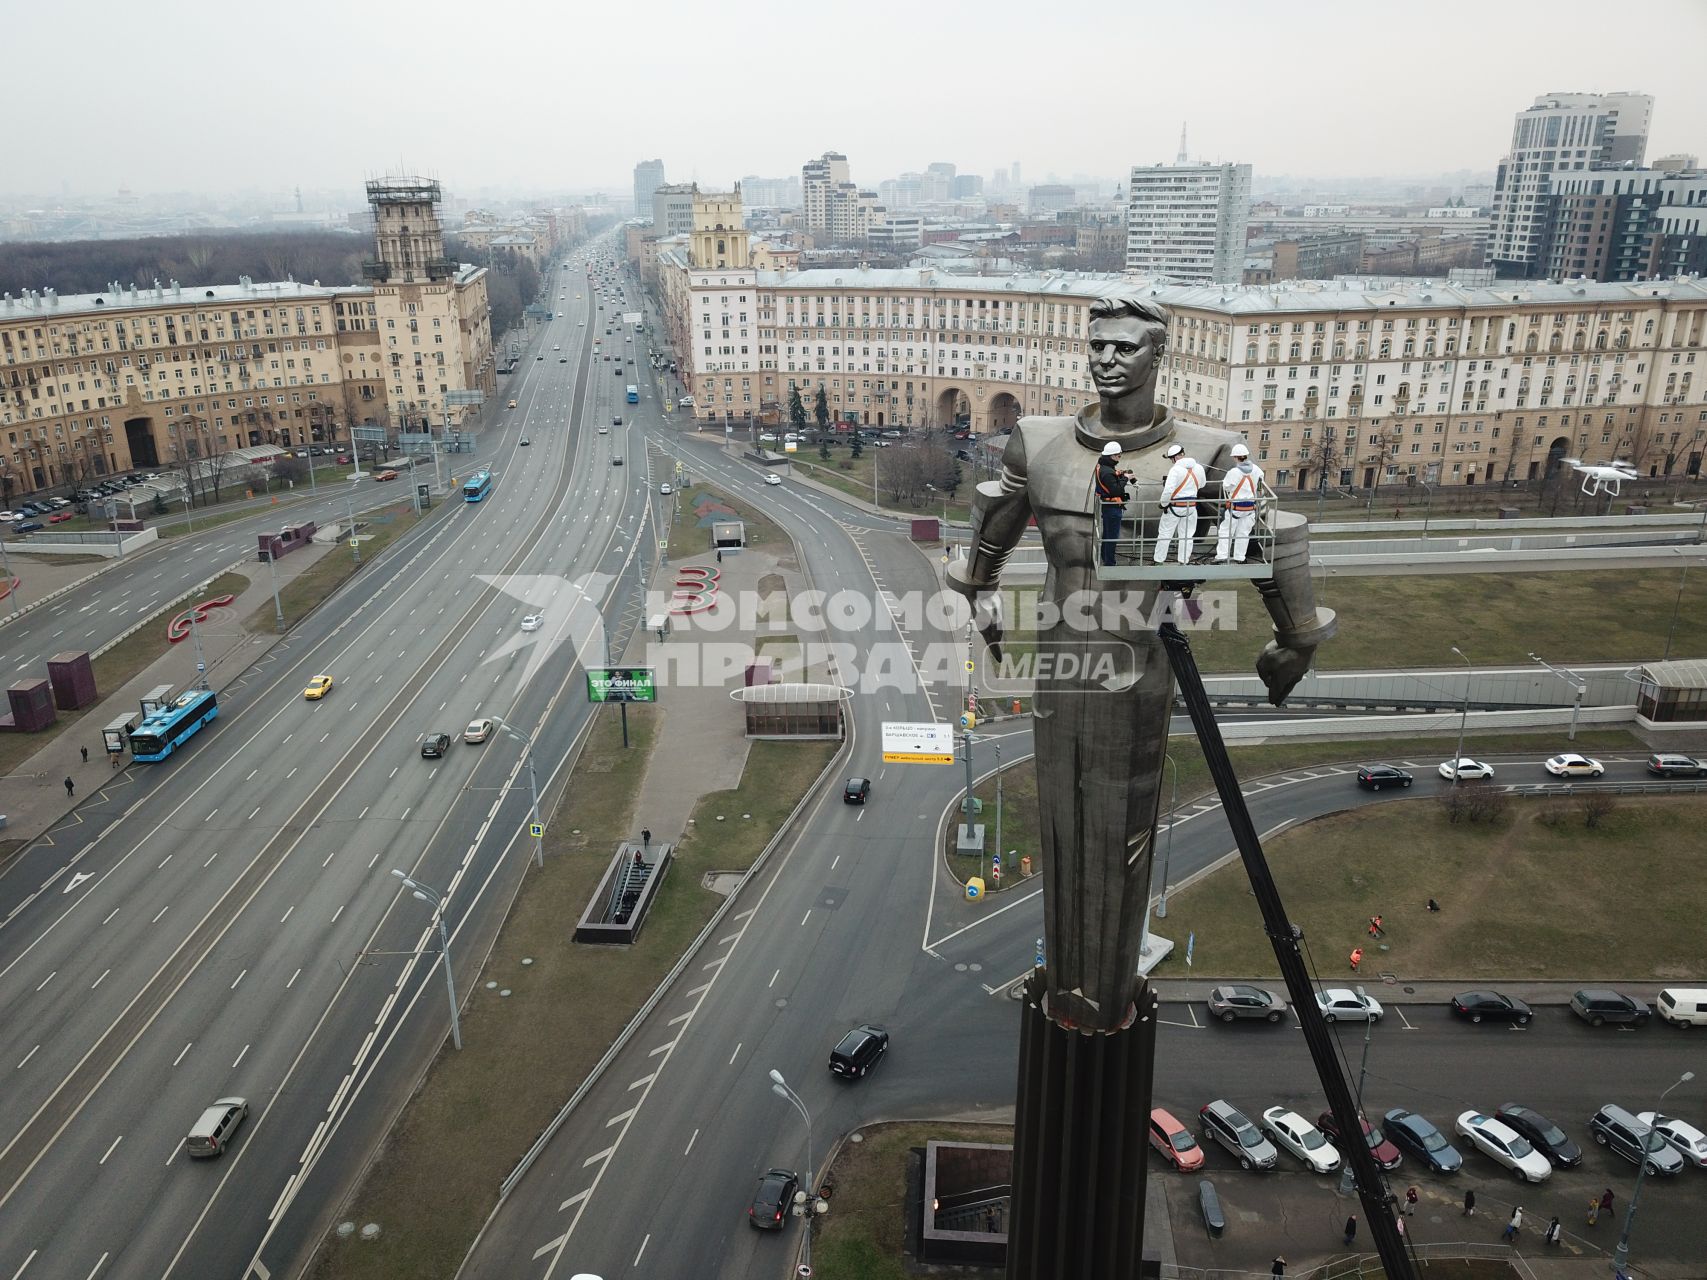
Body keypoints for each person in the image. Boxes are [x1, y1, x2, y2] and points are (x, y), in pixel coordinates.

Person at [946, 292, 1333, 1032]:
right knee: (1060, 823)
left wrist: (1296, 638)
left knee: (1119, 835)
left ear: (1159, 358)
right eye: (1097, 346)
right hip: (1060, 666)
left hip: (1138, 672)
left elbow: (1273, 535)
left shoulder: (1207, 453)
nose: (1107, 360)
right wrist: (977, 591)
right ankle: (1068, 993)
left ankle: (1103, 998)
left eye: (1125, 348)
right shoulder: (1041, 441)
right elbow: (992, 523)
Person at [1153, 443, 1205, 565]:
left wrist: (1163, 504)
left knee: (1165, 534)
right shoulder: (1199, 468)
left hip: (1175, 507)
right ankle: (1183, 561)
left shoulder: (1175, 469)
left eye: (1171, 459)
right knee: (1187, 535)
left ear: (1175, 458)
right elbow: (1202, 484)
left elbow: (1168, 490)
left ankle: (1159, 560)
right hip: (1191, 507)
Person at [1213, 441, 1264, 563]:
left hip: (1235, 509)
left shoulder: (1233, 472)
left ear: (1236, 457)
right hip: (1250, 508)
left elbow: (1226, 487)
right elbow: (1260, 484)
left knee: (1226, 532)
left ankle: (1222, 556)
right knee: (1243, 534)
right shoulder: (1257, 470)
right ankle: (1240, 557)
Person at [1094, 441, 1133, 566]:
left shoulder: (1103, 467)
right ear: (1112, 456)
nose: (1119, 458)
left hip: (1108, 507)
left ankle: (1105, 558)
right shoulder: (1107, 472)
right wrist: (1126, 478)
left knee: (1107, 534)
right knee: (1112, 536)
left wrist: (1120, 474)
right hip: (1112, 509)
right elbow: (1116, 490)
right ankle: (1110, 562)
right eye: (1118, 456)